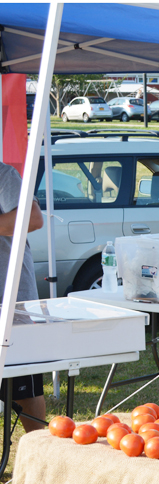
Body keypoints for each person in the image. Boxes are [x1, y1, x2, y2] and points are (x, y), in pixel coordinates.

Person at [0, 161, 46, 432]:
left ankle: (41, 453)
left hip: (10, 301)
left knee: (24, 387)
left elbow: (33, 218)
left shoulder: (4, 175)